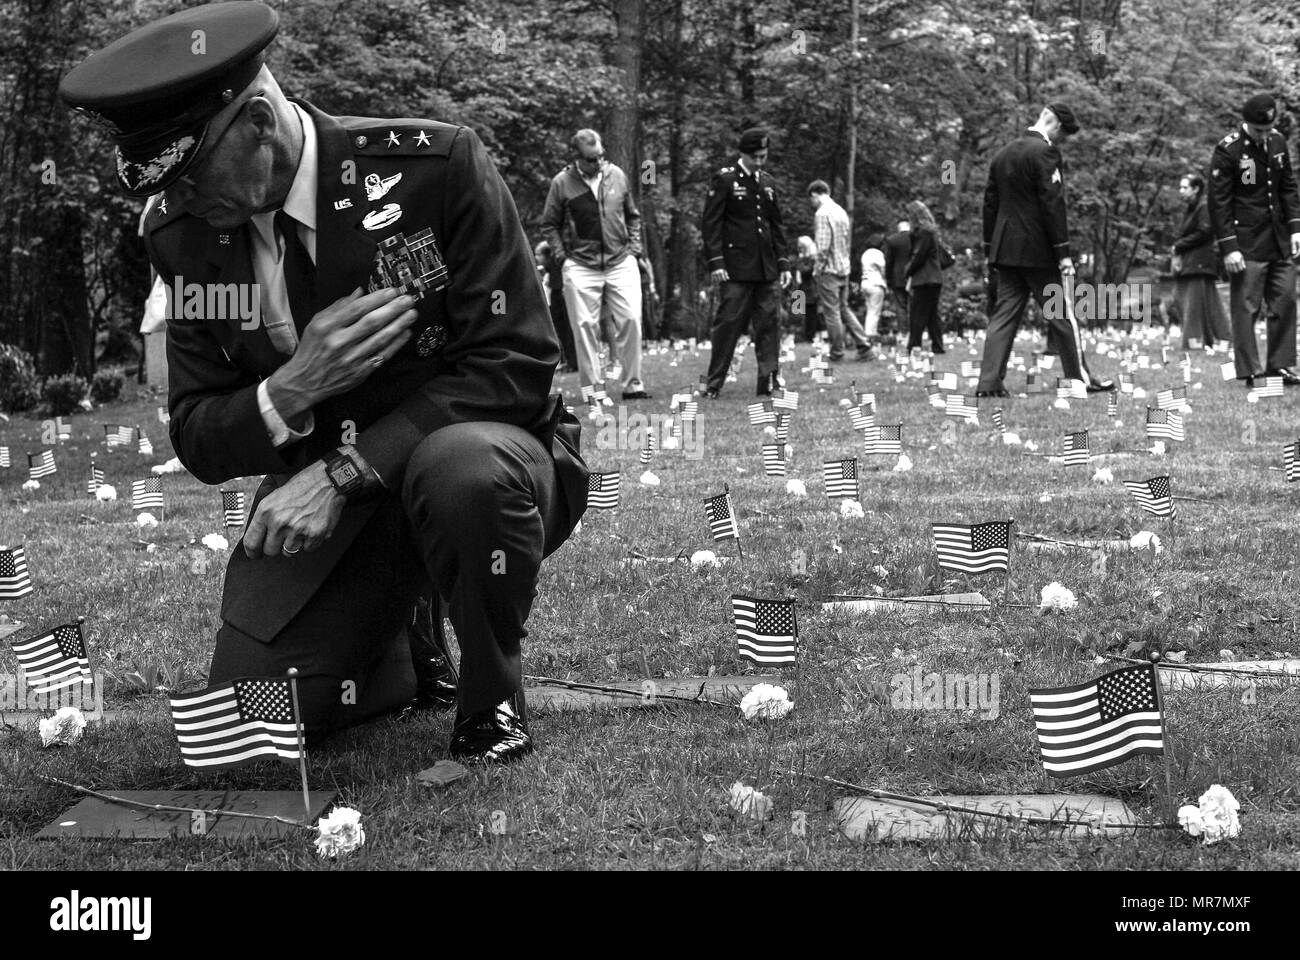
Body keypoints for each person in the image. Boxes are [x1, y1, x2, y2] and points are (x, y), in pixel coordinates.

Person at [59, 1, 588, 764]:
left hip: (485, 469)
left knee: (461, 469)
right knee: (250, 730)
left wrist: (343, 474)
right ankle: (400, 651)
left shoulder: (433, 172)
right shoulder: (187, 239)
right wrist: (291, 388)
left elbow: (515, 364)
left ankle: (490, 698)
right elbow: (200, 431)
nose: (172, 201)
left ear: (258, 123)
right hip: (339, 518)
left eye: (185, 173)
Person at [977, 102, 1112, 397]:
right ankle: (1079, 378)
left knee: (1003, 315)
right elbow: (1053, 205)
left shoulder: (1002, 154)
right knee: (1061, 314)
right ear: (1057, 126)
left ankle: (988, 383)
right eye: (1065, 134)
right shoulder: (1046, 153)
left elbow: (990, 205)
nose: (1062, 141)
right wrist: (1063, 253)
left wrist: (990, 249)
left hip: (1005, 250)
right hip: (1037, 251)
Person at [540, 129, 651, 399]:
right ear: (577, 158)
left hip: (620, 259)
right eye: (591, 159)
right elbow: (550, 224)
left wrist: (634, 251)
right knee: (585, 327)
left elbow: (633, 216)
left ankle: (633, 386)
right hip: (580, 263)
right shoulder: (562, 183)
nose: (598, 162)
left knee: (631, 320)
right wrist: (562, 258)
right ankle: (593, 391)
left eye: (601, 156)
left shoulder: (618, 175)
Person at [1207, 93, 1300, 387]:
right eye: (1259, 130)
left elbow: (1287, 187)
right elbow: (1218, 202)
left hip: (1279, 238)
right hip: (1246, 241)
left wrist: (1296, 228)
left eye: (1268, 129)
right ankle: (1250, 370)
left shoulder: (1278, 142)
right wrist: (1229, 247)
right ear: (1245, 123)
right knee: (1246, 307)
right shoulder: (1228, 150)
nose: (1264, 135)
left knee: (1285, 299)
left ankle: (1281, 365)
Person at [700, 128, 791, 398]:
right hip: (735, 268)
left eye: (764, 156)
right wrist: (716, 262)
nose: (760, 162)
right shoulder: (725, 179)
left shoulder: (768, 181)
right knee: (728, 325)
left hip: (766, 268)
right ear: (743, 154)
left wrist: (784, 263)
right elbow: (711, 223)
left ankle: (769, 382)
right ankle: (714, 384)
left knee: (769, 326)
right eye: (755, 157)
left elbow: (776, 225)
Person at [808, 181, 871, 361]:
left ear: (815, 194)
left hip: (829, 269)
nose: (811, 203)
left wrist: (817, 269)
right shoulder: (841, 211)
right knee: (844, 309)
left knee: (832, 312)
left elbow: (823, 246)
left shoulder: (822, 213)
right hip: (844, 267)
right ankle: (864, 346)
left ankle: (836, 352)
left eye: (811, 199)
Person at [1170, 173, 1230, 350]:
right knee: (1193, 302)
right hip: (1192, 262)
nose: (1181, 191)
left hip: (1200, 262)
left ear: (1196, 189)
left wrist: (1179, 245)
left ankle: (1197, 341)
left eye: (1185, 187)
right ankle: (1210, 339)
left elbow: (1205, 232)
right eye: (1180, 187)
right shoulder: (1190, 209)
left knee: (1195, 304)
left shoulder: (1203, 207)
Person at [902, 199, 948, 354]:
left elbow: (918, 256)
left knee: (917, 314)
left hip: (924, 279)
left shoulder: (923, 233)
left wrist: (907, 271)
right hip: (933, 278)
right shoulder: (930, 231)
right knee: (932, 315)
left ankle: (914, 345)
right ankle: (937, 345)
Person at [534, 240, 578, 372]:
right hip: (556, 294)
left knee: (567, 330)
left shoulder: (557, 263)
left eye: (538, 255)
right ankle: (569, 361)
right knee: (561, 330)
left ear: (547, 255)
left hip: (560, 294)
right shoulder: (549, 268)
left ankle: (573, 362)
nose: (536, 258)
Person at [883, 220, 913, 326]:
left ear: (898, 228)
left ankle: (903, 333)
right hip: (914, 277)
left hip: (897, 277)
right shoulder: (916, 238)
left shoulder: (892, 240)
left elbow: (889, 261)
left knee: (901, 307)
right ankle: (916, 332)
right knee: (914, 305)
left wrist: (888, 278)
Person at [859, 234, 887, 341]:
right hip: (876, 283)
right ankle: (870, 336)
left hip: (865, 283)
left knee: (869, 310)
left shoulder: (865, 254)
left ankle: (866, 333)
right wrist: (886, 279)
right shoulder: (878, 253)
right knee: (875, 312)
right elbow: (883, 269)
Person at [793, 234, 821, 342]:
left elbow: (806, 271)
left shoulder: (812, 259)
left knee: (810, 314)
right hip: (800, 288)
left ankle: (810, 336)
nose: (798, 247)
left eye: (800, 245)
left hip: (809, 290)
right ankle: (800, 335)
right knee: (798, 312)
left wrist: (800, 262)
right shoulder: (803, 258)